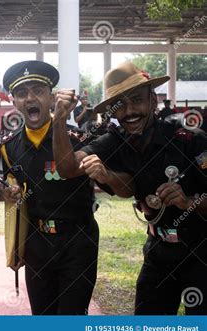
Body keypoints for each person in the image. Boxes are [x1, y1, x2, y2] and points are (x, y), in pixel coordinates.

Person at [52, 61, 207, 315]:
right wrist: (59, 119)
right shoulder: (116, 140)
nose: (129, 111)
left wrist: (188, 201)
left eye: (137, 100)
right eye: (120, 104)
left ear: (153, 100)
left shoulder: (189, 138)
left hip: (201, 253)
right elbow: (67, 168)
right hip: (158, 252)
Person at [0, 60, 133, 315]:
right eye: (21, 93)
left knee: (71, 318)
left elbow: (124, 185)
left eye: (38, 90)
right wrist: (9, 193)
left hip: (77, 242)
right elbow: (13, 187)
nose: (30, 98)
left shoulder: (80, 139)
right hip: (37, 243)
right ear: (14, 102)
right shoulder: (8, 147)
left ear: (51, 98)